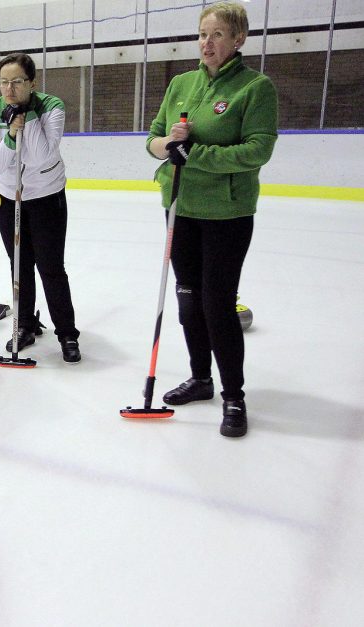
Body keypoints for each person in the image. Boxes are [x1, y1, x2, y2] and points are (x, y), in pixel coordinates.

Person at [147, 1, 277, 438]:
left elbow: (257, 150)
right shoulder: (182, 83)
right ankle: (201, 379)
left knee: (216, 305)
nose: (207, 42)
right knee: (187, 302)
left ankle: (234, 396)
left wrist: (194, 154)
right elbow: (151, 138)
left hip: (227, 213)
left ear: (238, 39)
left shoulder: (255, 88)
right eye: (203, 34)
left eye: (217, 34)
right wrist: (167, 145)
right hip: (180, 208)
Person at [0, 53, 81, 363]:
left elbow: (40, 157)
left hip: (46, 194)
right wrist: (10, 134)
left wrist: (28, 117)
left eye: (17, 82)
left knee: (51, 267)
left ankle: (66, 333)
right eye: (3, 82)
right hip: (7, 196)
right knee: (19, 264)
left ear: (32, 83)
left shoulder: (52, 107)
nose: (9, 89)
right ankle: (23, 326)